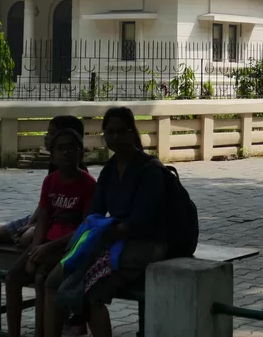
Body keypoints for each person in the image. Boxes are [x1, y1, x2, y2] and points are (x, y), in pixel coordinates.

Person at [44, 106, 170, 337]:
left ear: (133, 133)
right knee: (55, 279)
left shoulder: (149, 169)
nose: (115, 137)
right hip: (112, 239)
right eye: (109, 132)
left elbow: (142, 220)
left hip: (146, 244)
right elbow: (95, 213)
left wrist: (106, 234)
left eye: (121, 132)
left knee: (90, 291)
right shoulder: (110, 170)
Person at [5, 127, 96, 337]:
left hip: (68, 245)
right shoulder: (50, 181)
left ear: (80, 153)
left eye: (71, 148)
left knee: (41, 279)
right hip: (46, 241)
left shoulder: (88, 184)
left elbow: (84, 228)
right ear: (52, 154)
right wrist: (35, 249)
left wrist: (47, 249)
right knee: (12, 278)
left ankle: (42, 332)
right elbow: (43, 218)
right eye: (60, 149)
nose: (65, 153)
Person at [0, 115, 89, 248]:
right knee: (0, 233)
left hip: (62, 222)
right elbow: (44, 205)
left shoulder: (80, 176)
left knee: (26, 239)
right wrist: (31, 223)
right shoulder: (53, 170)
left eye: (51, 133)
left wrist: (34, 226)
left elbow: (71, 215)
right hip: (46, 217)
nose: (46, 137)